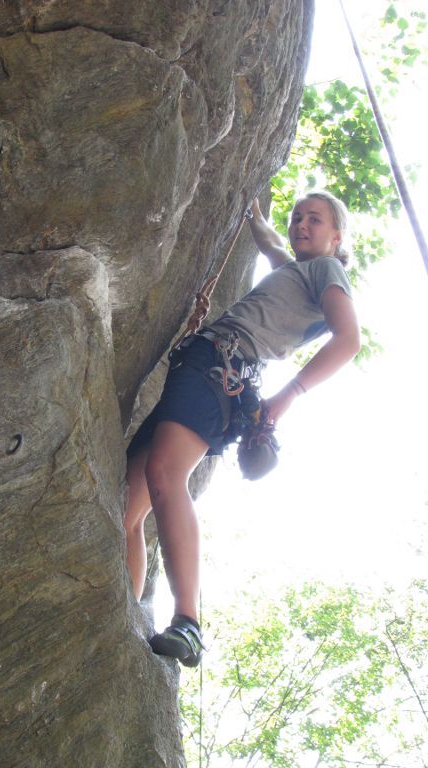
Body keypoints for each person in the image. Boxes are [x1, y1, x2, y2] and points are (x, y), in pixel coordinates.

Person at [124, 191, 361, 667]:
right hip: (203, 365)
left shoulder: (325, 271)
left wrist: (288, 395)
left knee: (166, 476)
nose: (301, 225)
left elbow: (349, 339)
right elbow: (274, 245)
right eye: (297, 218)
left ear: (337, 239)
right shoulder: (294, 268)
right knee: (126, 510)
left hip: (220, 370)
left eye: (315, 219)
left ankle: (187, 623)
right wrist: (255, 213)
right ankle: (123, 614)